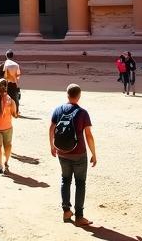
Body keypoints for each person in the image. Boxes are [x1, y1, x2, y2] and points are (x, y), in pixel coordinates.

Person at [49, 83, 97, 227]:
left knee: (65, 180)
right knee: (80, 183)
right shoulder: (82, 113)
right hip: (78, 153)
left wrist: (52, 146)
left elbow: (51, 129)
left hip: (62, 152)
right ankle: (79, 216)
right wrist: (94, 153)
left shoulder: (58, 110)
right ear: (79, 96)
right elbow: (88, 135)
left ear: (67, 94)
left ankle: (66, 211)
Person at [2, 49, 22, 115]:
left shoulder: (6, 64)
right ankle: (16, 111)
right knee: (15, 98)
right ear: (12, 56)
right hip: (14, 83)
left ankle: (7, 111)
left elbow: (5, 75)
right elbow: (18, 75)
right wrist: (16, 80)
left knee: (6, 97)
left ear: (6, 56)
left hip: (7, 83)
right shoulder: (16, 65)